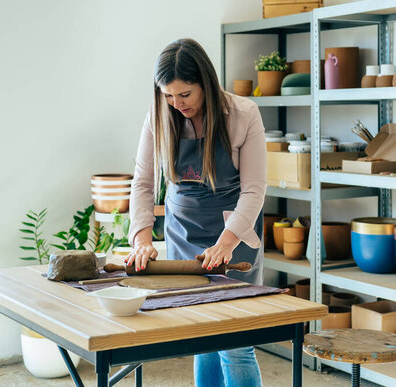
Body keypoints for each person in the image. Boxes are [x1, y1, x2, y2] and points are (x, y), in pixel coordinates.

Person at [127, 38, 267, 387]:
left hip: (234, 236)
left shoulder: (243, 114)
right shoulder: (159, 116)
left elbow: (254, 189)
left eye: (185, 95)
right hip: (182, 234)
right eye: (168, 95)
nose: (177, 104)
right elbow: (143, 182)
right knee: (201, 334)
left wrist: (226, 244)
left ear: (205, 83)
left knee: (235, 342)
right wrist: (143, 240)